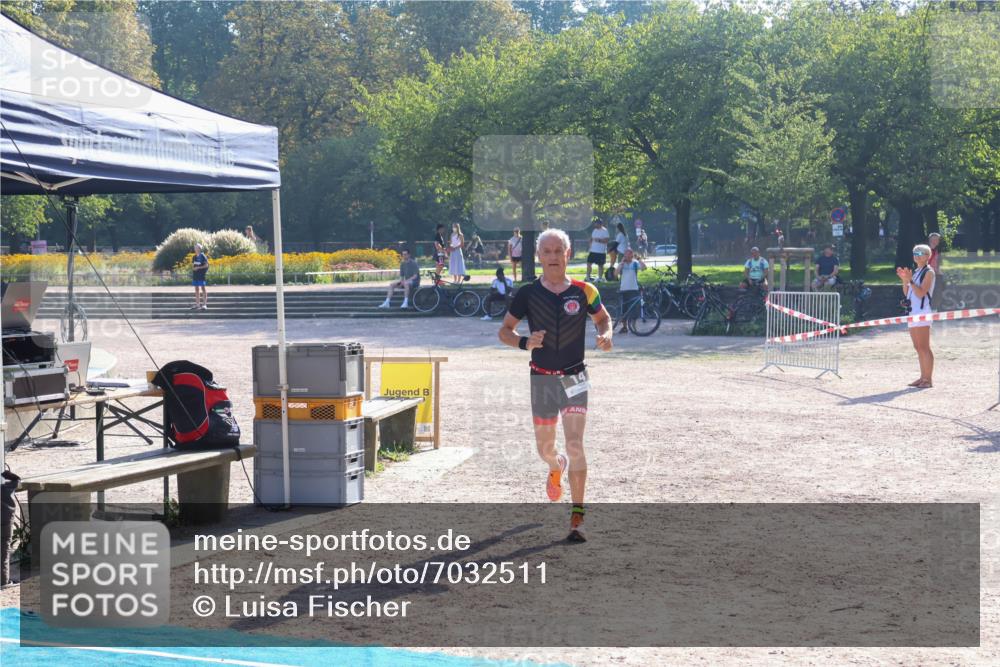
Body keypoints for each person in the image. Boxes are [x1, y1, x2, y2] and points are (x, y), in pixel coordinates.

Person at [498, 228, 613, 543]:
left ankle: (578, 516)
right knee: (546, 449)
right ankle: (556, 464)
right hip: (542, 379)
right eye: (546, 252)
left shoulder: (584, 290)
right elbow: (504, 331)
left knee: (576, 443)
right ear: (538, 257)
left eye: (557, 251)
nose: (552, 257)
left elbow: (603, 318)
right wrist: (524, 342)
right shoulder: (527, 293)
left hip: (575, 376)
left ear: (568, 254)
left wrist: (606, 334)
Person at [897, 245, 936, 389]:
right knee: (918, 347)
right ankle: (923, 377)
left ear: (927, 256)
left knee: (924, 347)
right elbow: (907, 292)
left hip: (922, 313)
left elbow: (920, 293)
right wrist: (904, 280)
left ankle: (928, 379)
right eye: (915, 253)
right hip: (913, 313)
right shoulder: (916, 271)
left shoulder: (929, 272)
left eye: (920, 253)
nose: (917, 255)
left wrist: (910, 280)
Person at [614, 248, 646, 334]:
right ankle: (625, 327)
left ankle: (634, 326)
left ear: (632, 255)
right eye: (626, 255)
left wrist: (639, 259)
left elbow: (644, 268)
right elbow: (615, 274)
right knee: (624, 309)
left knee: (634, 310)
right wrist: (621, 263)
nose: (627, 256)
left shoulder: (635, 263)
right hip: (623, 289)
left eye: (629, 255)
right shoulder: (622, 264)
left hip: (634, 289)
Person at [586, 218, 609, 282]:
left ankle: (600, 278)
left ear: (600, 224)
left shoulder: (605, 231)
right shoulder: (594, 230)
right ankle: (588, 277)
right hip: (592, 251)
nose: (595, 224)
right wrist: (590, 242)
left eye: (596, 223)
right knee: (588, 263)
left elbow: (606, 240)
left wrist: (599, 240)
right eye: (595, 223)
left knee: (600, 265)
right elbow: (592, 238)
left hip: (600, 251)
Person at [191, 243, 209, 310]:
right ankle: (197, 304)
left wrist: (198, 268)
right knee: (196, 289)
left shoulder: (203, 256)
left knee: (203, 289)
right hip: (195, 275)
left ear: (200, 249)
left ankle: (204, 304)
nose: (195, 249)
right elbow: (193, 265)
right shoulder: (194, 257)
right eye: (195, 248)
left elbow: (206, 265)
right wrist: (193, 268)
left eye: (197, 248)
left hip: (201, 275)